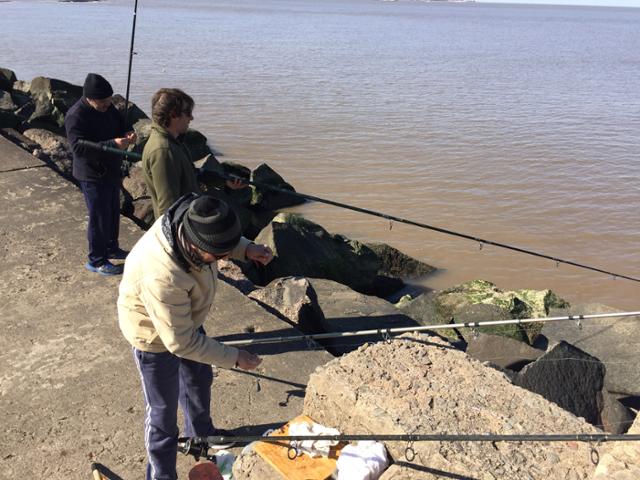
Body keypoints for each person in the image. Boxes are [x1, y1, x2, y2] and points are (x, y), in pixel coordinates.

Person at [117, 193, 273, 480]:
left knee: (199, 379)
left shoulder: (195, 217)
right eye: (219, 257)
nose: (224, 259)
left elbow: (221, 239)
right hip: (152, 337)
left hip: (184, 319)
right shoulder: (161, 274)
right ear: (195, 247)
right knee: (162, 415)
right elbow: (180, 343)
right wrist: (235, 357)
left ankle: (201, 436)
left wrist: (247, 249)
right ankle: (161, 475)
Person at [65, 73, 137, 276]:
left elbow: (120, 123)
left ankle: (112, 247)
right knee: (98, 216)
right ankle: (96, 260)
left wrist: (128, 133)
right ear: (90, 99)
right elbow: (78, 148)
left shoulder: (108, 107)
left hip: (112, 171)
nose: (107, 105)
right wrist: (112, 144)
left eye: (109, 101)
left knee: (113, 210)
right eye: (103, 102)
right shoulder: (75, 115)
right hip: (91, 175)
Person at [141, 88, 244, 220]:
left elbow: (190, 174)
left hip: (188, 222)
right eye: (188, 113)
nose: (191, 118)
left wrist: (224, 180)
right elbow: (168, 208)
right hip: (182, 230)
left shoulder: (173, 142)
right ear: (173, 115)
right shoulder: (163, 151)